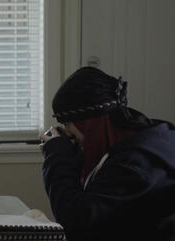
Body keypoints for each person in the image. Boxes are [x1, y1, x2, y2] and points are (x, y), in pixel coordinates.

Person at [40, 66, 175, 241]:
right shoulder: (151, 138)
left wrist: (57, 156)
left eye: (67, 123)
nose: (67, 131)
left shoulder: (133, 164)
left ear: (87, 124)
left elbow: (74, 222)